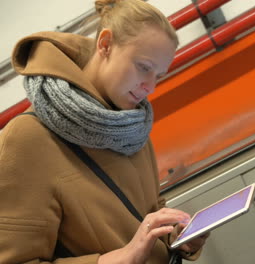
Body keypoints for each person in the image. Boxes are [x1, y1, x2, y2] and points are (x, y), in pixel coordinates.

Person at [0, 0, 208, 263]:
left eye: (158, 75)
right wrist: (119, 258)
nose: (150, 87)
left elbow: (146, 213)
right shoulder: (26, 138)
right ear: (105, 44)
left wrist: (176, 234)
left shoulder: (131, 124)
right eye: (144, 67)